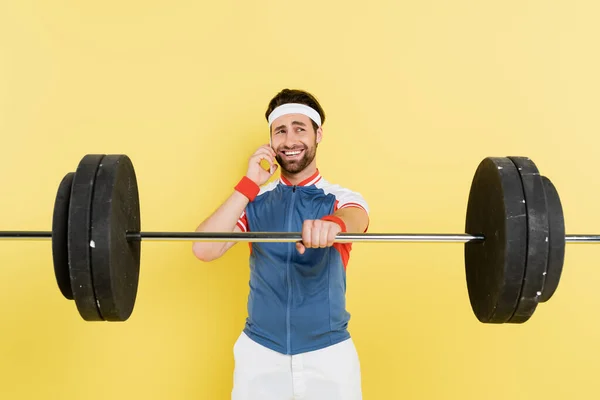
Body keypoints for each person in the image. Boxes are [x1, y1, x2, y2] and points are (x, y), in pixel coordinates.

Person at [192, 89, 370, 399]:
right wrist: (249, 184)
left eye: (300, 128)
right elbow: (204, 248)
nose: (289, 141)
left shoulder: (341, 199)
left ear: (318, 134)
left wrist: (332, 225)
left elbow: (356, 219)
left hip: (328, 356)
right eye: (280, 131)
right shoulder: (254, 202)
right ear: (271, 140)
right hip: (260, 353)